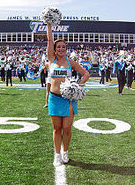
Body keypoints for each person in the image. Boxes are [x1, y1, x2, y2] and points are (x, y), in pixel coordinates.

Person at [46, 22, 90, 167]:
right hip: (54, 98)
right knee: (56, 128)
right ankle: (57, 155)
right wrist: (49, 25)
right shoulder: (51, 60)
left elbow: (86, 74)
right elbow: (49, 40)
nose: (61, 48)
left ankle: (65, 152)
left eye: (63, 47)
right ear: (54, 49)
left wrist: (78, 85)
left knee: (67, 128)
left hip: (68, 100)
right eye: (58, 47)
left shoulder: (71, 62)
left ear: (66, 49)